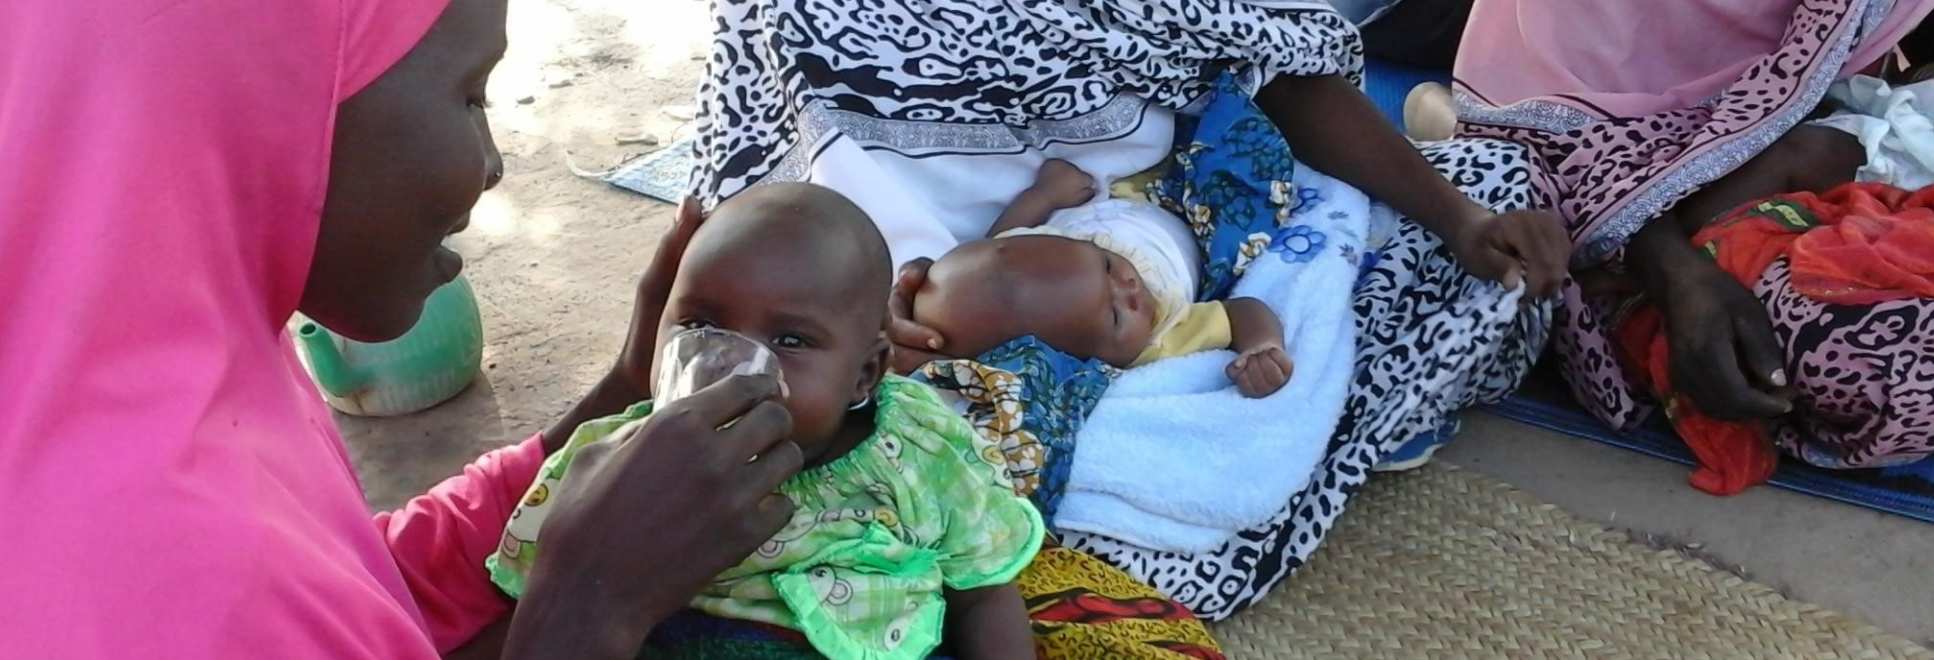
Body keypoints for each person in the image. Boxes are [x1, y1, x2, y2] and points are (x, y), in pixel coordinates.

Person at [684, 0, 1569, 619]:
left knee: (1491, 215)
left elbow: (1278, 75)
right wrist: (849, 312)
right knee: (855, 465)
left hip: (1160, 211)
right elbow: (735, 177)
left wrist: (1459, 221)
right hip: (897, 300)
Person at [0, 1, 807, 657]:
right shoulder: (167, 578)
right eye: (470, 93)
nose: (492, 163)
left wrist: (615, 401)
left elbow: (355, 592)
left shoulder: (172, 364)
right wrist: (585, 610)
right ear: (274, 101)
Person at [485, 183, 1043, 660]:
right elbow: (539, 608)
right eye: (700, 324)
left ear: (864, 373)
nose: (733, 367)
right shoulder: (610, 471)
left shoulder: (921, 453)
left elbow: (983, 590)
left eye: (791, 340)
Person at [1454, 0, 1934, 477]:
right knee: (1871, 369)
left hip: (1803, 163)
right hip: (1605, 205)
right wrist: (1675, 274)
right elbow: (1537, 136)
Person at [913, 159, 1296, 398]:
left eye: (1109, 267)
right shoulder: (1162, 336)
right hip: (1186, 224)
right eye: (1115, 315)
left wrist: (1044, 197)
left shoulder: (1058, 259)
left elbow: (1002, 241)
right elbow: (1241, 311)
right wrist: (1263, 345)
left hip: (1106, 210)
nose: (1129, 284)